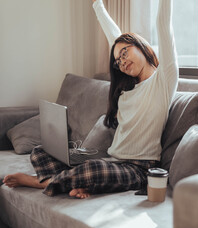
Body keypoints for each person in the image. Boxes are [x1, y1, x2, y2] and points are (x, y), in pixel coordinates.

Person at [2, 0, 178, 199]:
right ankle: (78, 181)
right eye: (118, 61)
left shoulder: (163, 81)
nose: (122, 62)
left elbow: (163, 23)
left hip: (138, 168)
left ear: (140, 44)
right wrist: (98, 6)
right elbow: (114, 38)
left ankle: (44, 181)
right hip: (111, 161)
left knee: (93, 168)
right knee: (40, 151)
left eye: (124, 53)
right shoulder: (127, 89)